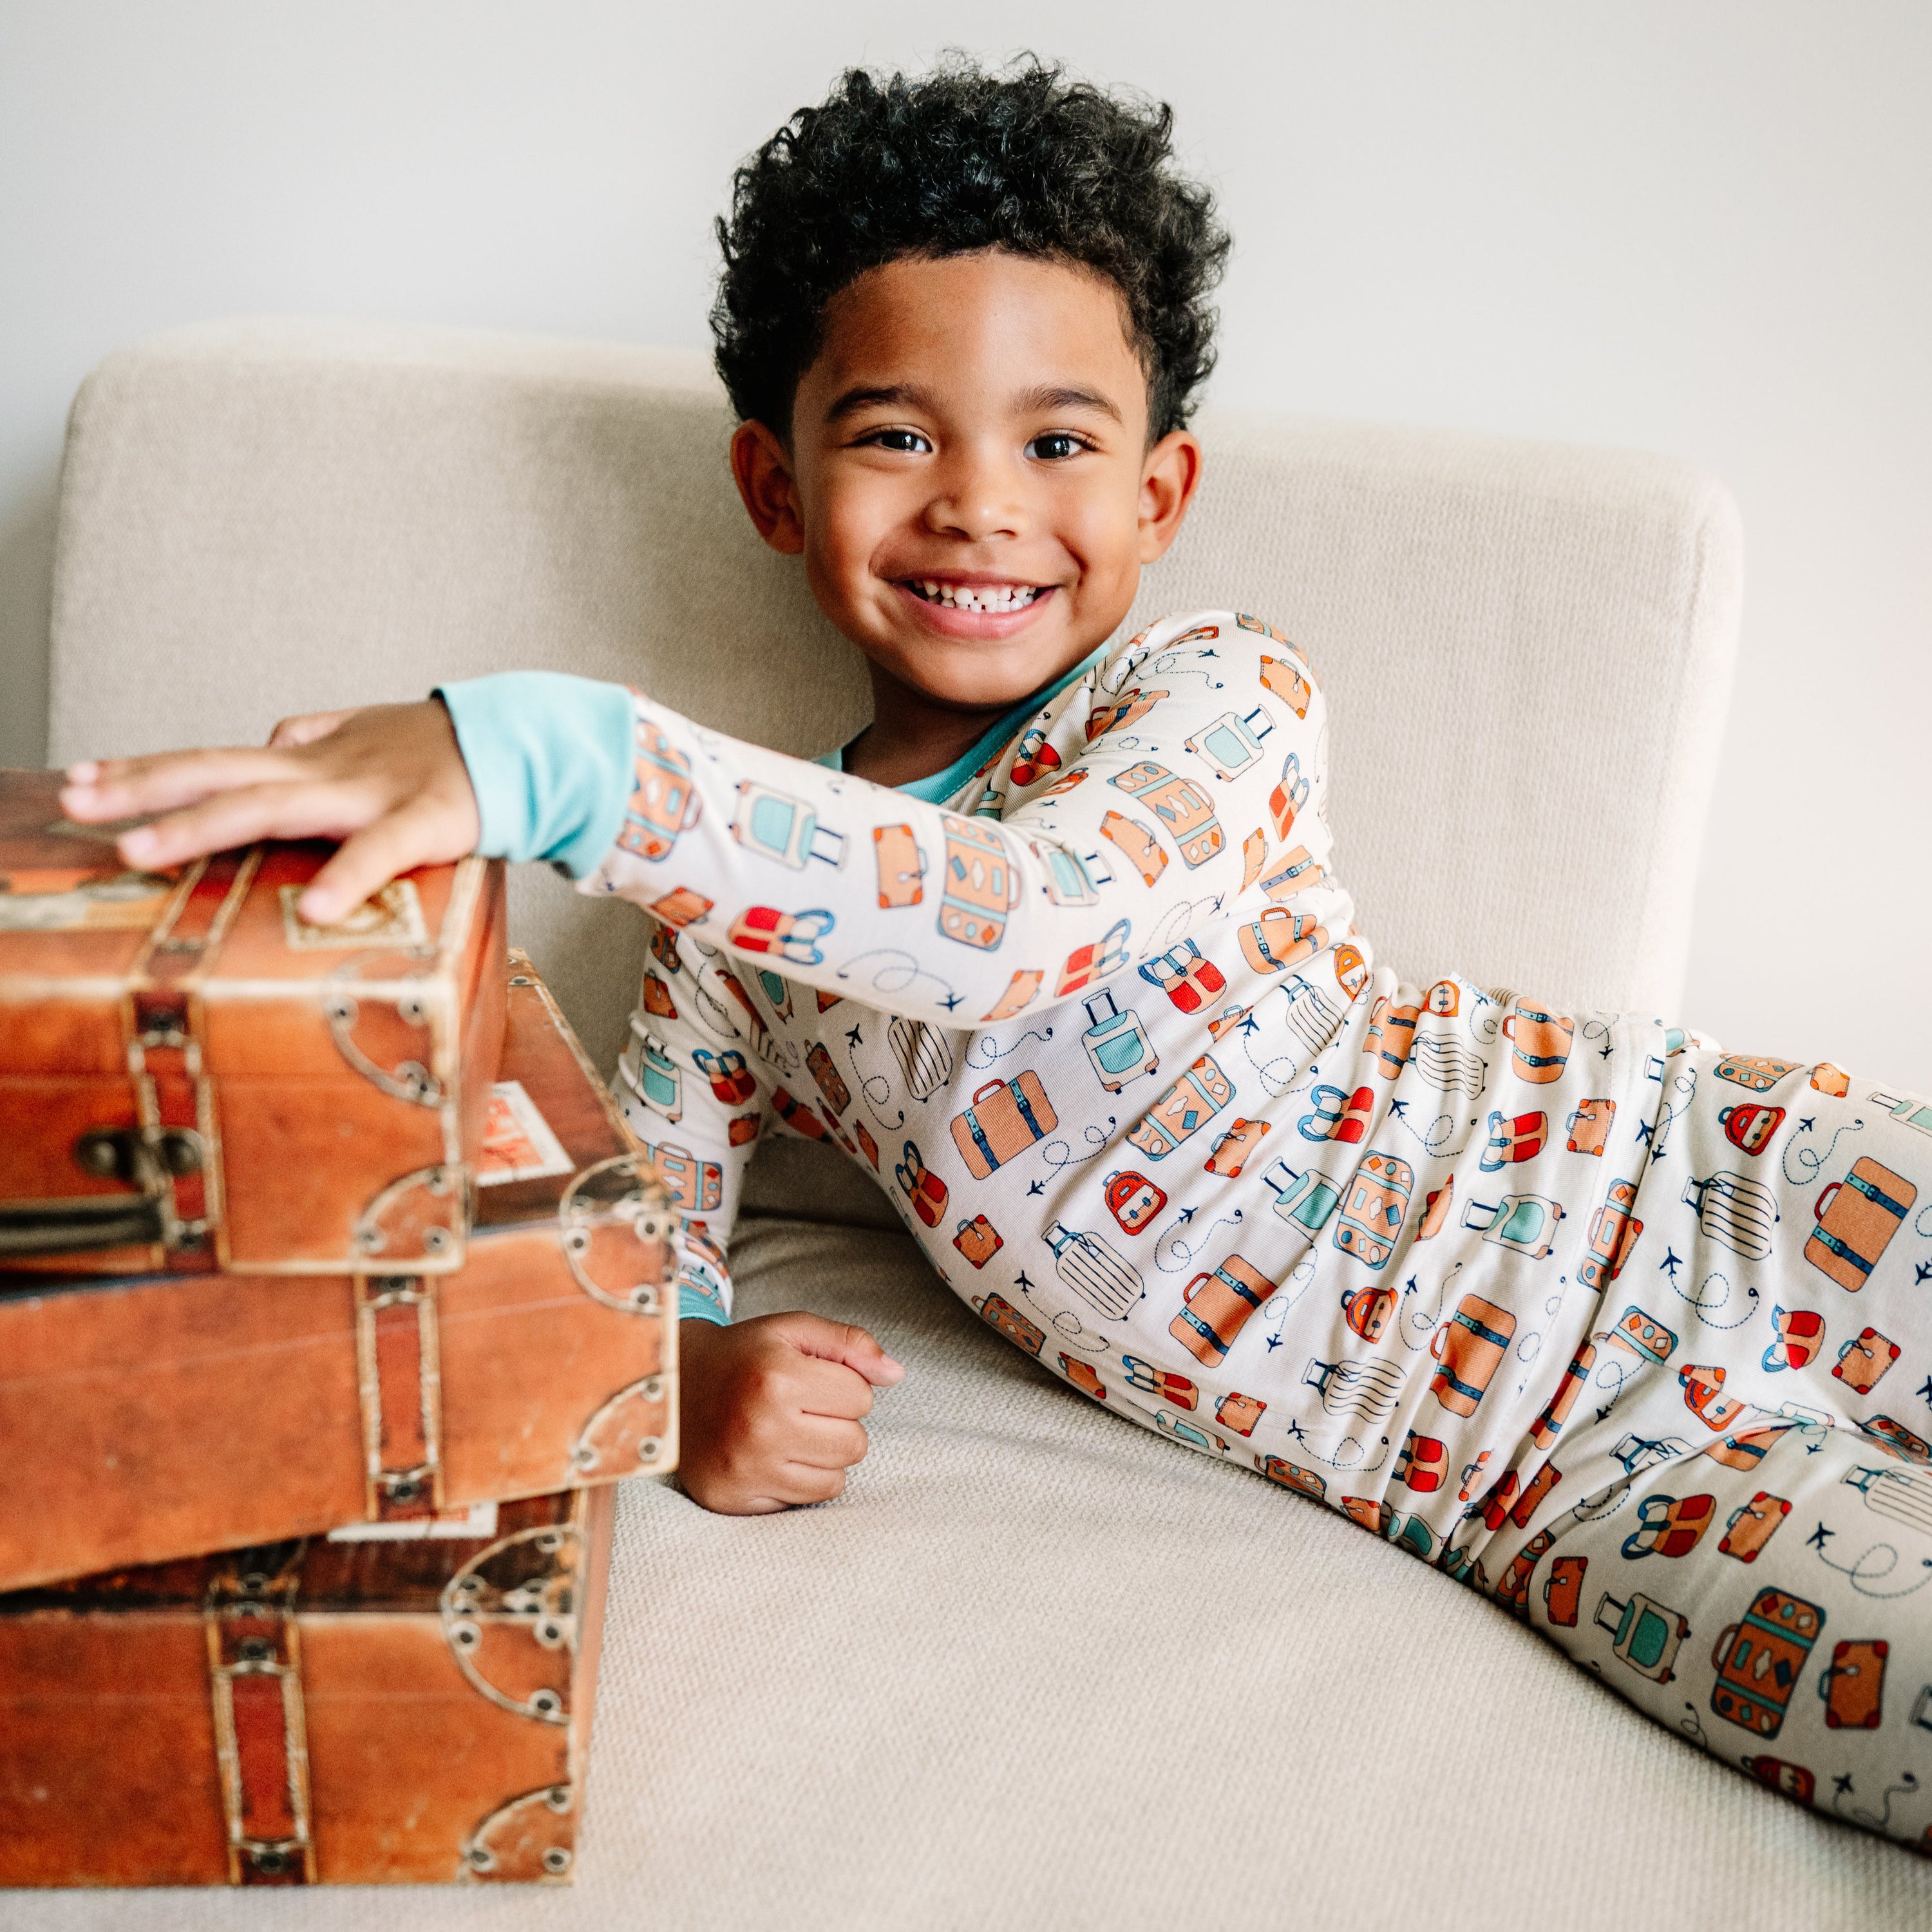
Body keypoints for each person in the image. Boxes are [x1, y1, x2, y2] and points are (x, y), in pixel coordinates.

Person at [59, 61, 1932, 1847]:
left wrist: (554, 755)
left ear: (1157, 498)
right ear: (777, 490)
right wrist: (691, 1375)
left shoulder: (1219, 694)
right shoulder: (731, 935)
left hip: (1707, 1183)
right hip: (1538, 1490)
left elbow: (1019, 928)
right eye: (894, 436)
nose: (980, 500)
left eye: (1059, 441)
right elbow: (650, 1217)